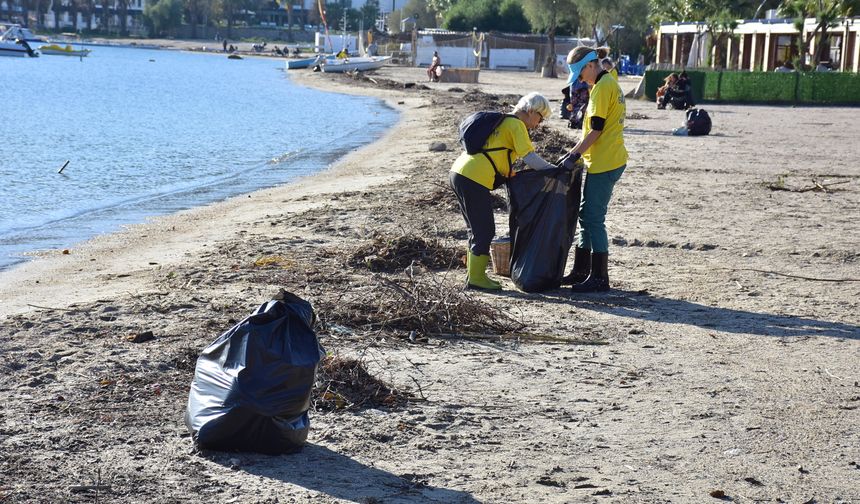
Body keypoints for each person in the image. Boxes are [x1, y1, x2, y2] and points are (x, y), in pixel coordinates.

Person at [450, 93, 558, 291]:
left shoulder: (502, 121)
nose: (539, 124)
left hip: (459, 171)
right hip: (474, 177)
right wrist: (554, 171)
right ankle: (476, 279)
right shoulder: (516, 125)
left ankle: (473, 275)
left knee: (475, 229)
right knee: (484, 230)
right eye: (540, 118)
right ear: (532, 111)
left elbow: (498, 155)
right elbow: (530, 158)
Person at [560, 46, 628, 292]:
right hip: (604, 159)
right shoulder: (607, 83)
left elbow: (596, 130)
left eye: (579, 74)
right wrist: (577, 153)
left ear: (590, 65)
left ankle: (600, 277)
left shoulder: (601, 89)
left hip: (605, 161)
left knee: (593, 219)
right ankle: (581, 271)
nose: (579, 80)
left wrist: (574, 153)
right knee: (584, 214)